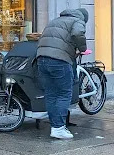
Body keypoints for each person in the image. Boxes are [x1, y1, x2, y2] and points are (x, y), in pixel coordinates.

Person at [36, 8, 88, 140]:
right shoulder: (77, 21)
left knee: (51, 94)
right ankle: (59, 128)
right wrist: (82, 48)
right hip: (59, 60)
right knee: (64, 93)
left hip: (41, 58)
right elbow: (77, 34)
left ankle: (56, 126)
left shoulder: (55, 21)